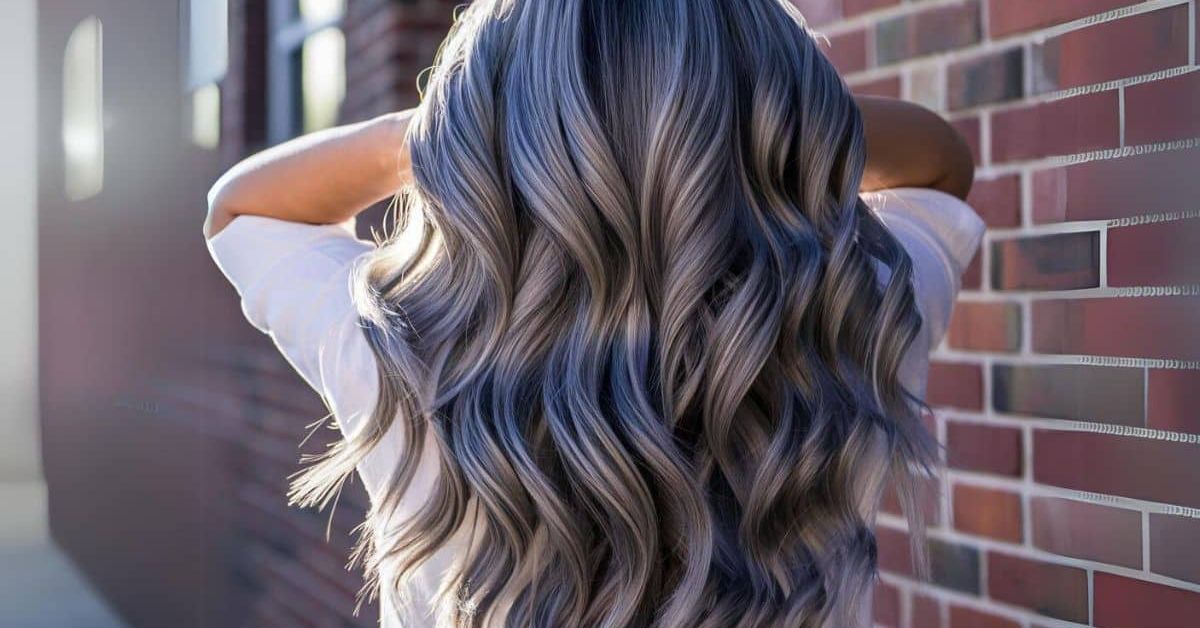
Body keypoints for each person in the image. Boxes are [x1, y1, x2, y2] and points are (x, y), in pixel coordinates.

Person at [203, 0, 983, 625]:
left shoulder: (401, 354)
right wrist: (766, 115)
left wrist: (450, 134)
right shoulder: (854, 323)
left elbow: (242, 211)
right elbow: (941, 162)